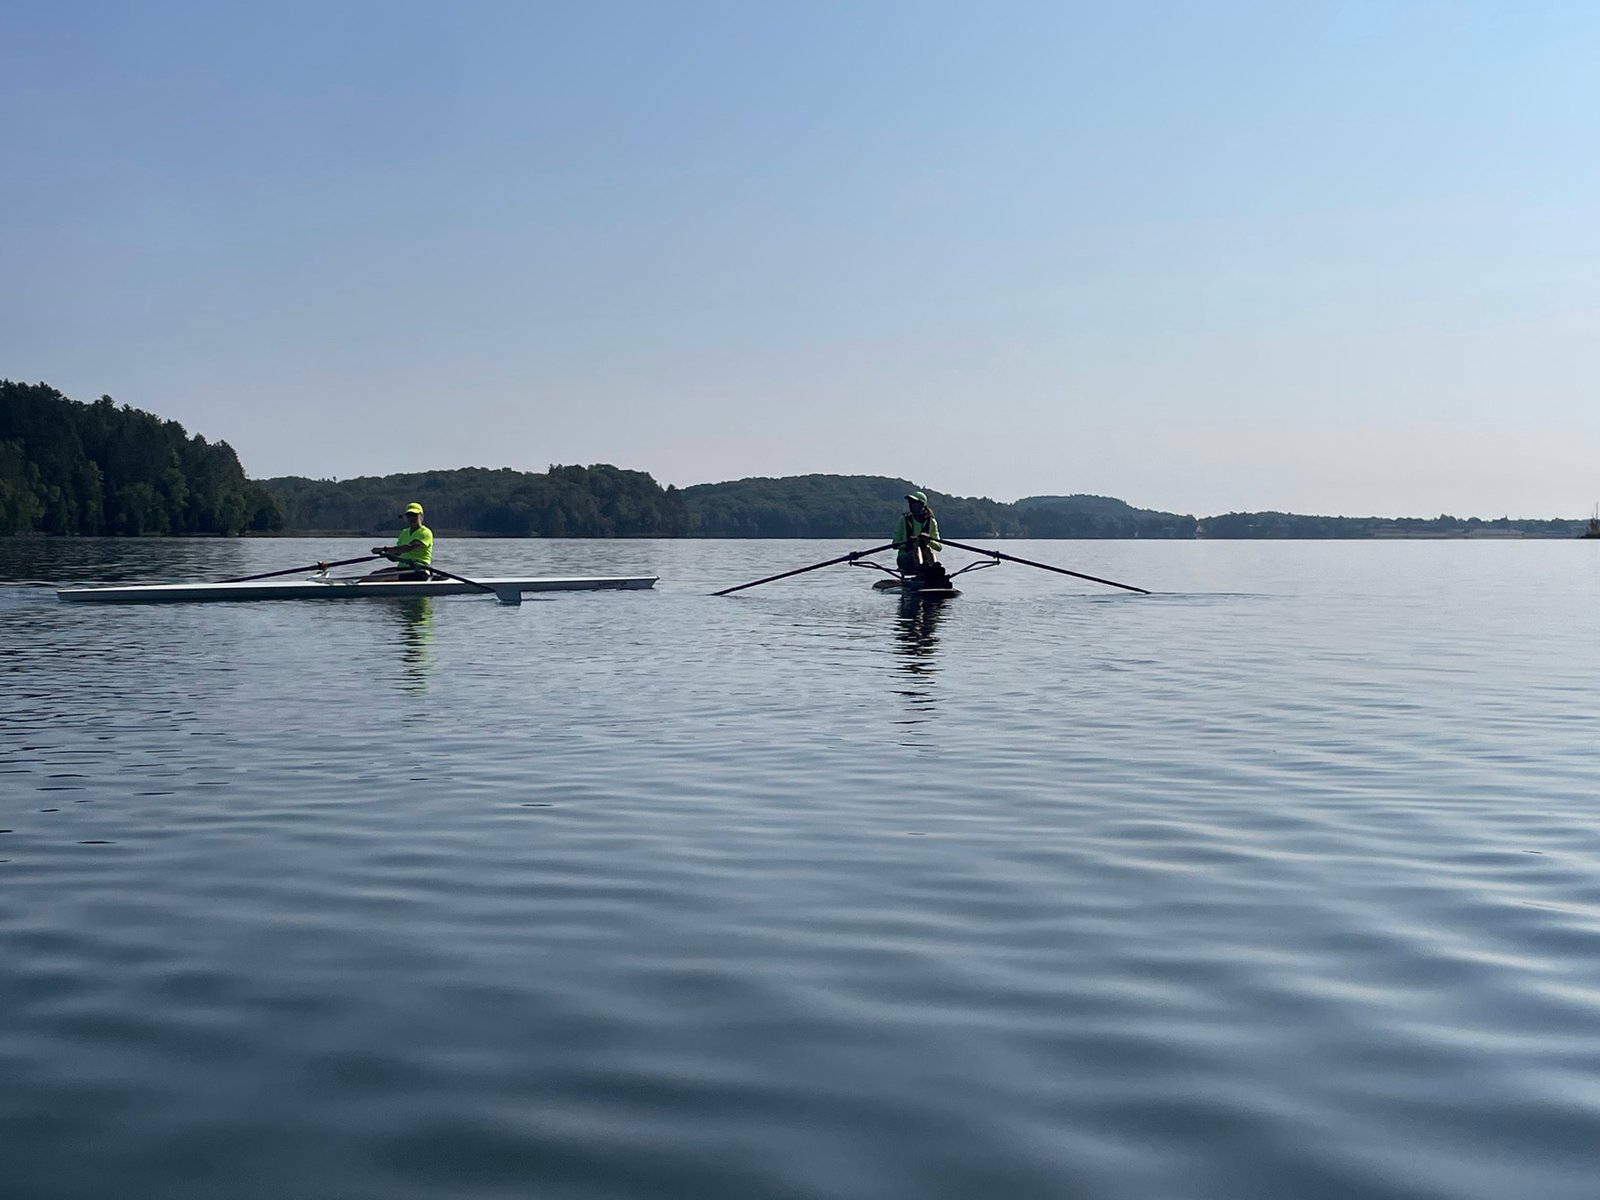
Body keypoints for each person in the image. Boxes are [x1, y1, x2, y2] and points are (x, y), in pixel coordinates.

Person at [893, 491, 948, 585]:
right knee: (915, 547)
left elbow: (939, 547)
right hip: (905, 560)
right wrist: (907, 543)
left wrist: (929, 540)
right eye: (910, 502)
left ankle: (935, 571)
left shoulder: (931, 521)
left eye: (914, 502)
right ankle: (921, 572)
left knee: (927, 548)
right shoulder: (904, 520)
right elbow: (894, 545)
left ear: (922, 505)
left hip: (926, 559)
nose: (911, 505)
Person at [370, 502, 434, 579]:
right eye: (409, 515)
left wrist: (385, 549)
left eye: (414, 515)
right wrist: (387, 554)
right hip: (403, 569)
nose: (412, 518)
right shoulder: (404, 533)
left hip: (419, 570)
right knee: (374, 575)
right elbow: (397, 555)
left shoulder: (425, 532)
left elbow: (409, 547)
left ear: (421, 516)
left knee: (381, 578)